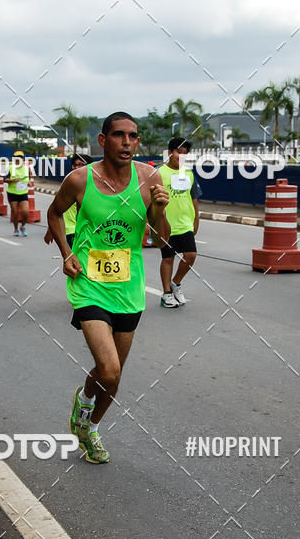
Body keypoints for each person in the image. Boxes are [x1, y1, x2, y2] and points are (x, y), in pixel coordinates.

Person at [47, 112, 170, 464]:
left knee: (112, 379)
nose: (127, 142)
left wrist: (160, 211)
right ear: (103, 141)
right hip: (88, 284)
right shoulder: (79, 180)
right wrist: (66, 253)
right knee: (110, 368)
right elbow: (54, 214)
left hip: (129, 287)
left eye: (133, 136)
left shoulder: (149, 178)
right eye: (119, 135)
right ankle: (86, 410)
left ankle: (88, 423)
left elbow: (162, 240)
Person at [157, 137, 201, 307]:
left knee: (191, 255)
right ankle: (166, 293)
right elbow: (149, 199)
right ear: (170, 153)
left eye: (185, 154)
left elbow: (194, 198)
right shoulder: (159, 173)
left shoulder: (188, 173)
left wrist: (196, 219)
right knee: (168, 259)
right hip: (166, 224)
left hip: (185, 224)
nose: (181, 156)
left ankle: (175, 283)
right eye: (178, 152)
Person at [44, 154, 90, 248]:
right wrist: (51, 230)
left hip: (90, 232)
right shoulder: (69, 184)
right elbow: (57, 209)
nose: (77, 168)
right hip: (72, 231)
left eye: (81, 164)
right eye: (75, 165)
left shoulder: (96, 186)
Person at [4, 150, 30, 236]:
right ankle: (15, 229)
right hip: (12, 193)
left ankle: (23, 226)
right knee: (15, 212)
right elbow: (5, 179)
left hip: (23, 193)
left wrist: (28, 183)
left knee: (25, 212)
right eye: (17, 158)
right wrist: (12, 180)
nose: (19, 159)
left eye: (20, 158)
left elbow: (27, 179)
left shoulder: (26, 168)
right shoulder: (10, 168)